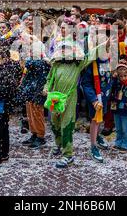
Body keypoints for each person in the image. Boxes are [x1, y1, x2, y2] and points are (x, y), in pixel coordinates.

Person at [44, 34, 107, 168]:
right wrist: (45, 88)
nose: (63, 51)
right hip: (54, 100)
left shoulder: (77, 64)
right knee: (54, 125)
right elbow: (49, 79)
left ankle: (68, 155)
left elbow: (91, 54)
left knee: (66, 127)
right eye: (62, 49)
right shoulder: (55, 64)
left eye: (66, 49)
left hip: (69, 100)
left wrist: (105, 44)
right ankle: (59, 144)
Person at [81, 32, 113, 163]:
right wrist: (94, 100)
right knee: (95, 121)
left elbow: (108, 78)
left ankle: (97, 136)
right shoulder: (91, 64)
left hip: (104, 97)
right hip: (95, 99)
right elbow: (86, 84)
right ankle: (93, 146)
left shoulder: (107, 60)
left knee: (100, 120)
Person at [19, 38, 51, 149]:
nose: (30, 52)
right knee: (30, 114)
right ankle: (34, 133)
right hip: (31, 91)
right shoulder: (35, 61)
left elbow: (29, 64)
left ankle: (40, 137)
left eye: (33, 50)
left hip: (38, 92)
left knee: (37, 115)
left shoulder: (41, 62)